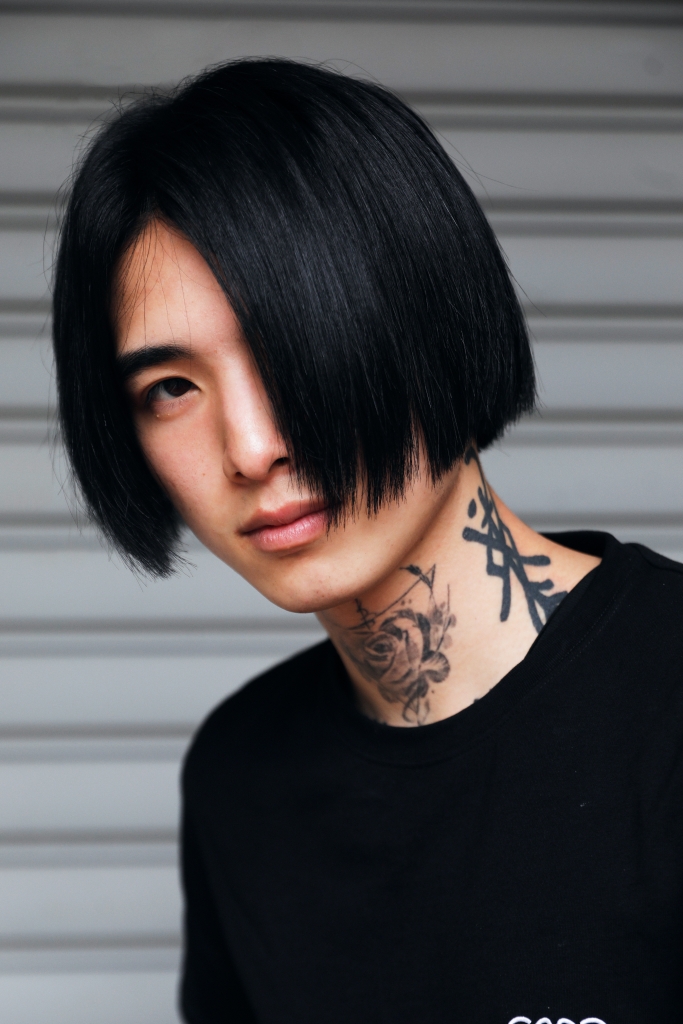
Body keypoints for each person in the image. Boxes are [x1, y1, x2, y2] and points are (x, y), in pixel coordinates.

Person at [52, 59, 683, 1024]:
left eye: (287, 343)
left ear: (429, 315)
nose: (252, 448)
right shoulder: (240, 776)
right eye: (171, 387)